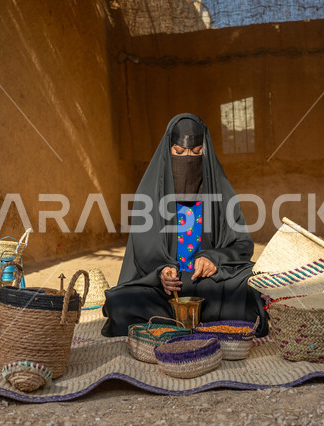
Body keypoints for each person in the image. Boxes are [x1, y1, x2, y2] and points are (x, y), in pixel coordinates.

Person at [101, 113, 268, 337]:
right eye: (179, 152)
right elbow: (144, 248)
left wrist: (213, 258)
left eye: (196, 152)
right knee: (120, 303)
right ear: (168, 151)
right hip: (166, 289)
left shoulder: (220, 192)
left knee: (253, 289)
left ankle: (172, 326)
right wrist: (162, 270)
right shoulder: (150, 193)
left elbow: (241, 244)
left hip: (207, 284)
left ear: (205, 153)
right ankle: (196, 323)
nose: (188, 158)